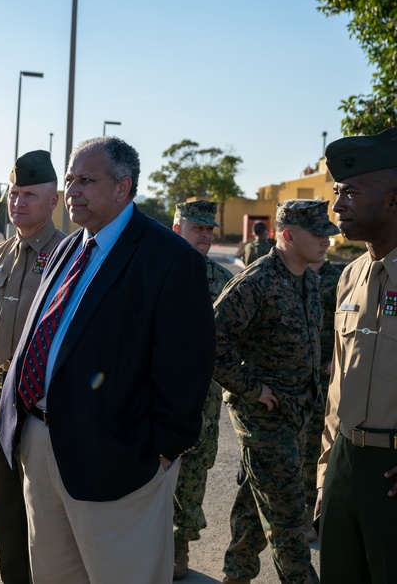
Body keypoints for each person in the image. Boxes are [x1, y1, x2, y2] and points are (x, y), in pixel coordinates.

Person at [0, 136, 215, 583]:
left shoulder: (169, 260)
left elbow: (187, 370)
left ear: (122, 187)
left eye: (85, 180)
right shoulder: (69, 246)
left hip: (117, 465)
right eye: (71, 179)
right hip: (41, 448)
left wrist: (158, 454)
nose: (72, 190)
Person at [213, 199, 338, 584]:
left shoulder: (310, 279)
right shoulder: (256, 282)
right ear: (287, 235)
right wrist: (253, 388)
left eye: (327, 234)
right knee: (289, 520)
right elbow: (211, 344)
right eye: (318, 235)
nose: (327, 242)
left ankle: (237, 573)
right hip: (264, 417)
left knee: (259, 500)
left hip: (297, 412)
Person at [317, 127, 397, 583]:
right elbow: (338, 385)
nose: (337, 205)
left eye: (350, 192)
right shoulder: (350, 276)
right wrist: (328, 474)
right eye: (335, 192)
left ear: (392, 200)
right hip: (345, 465)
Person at [0, 150, 65, 583]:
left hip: (45, 390)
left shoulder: (69, 256)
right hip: (0, 385)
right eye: (14, 194)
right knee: (5, 496)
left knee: (47, 500)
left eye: (30, 195)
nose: (19, 202)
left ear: (54, 201)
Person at [170, 199, 234, 579]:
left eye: (210, 229)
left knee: (194, 474)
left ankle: (181, 546)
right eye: (199, 228)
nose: (206, 235)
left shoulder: (223, 279)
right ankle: (150, 540)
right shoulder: (155, 269)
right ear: (178, 228)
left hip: (204, 402)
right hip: (157, 393)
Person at [300, 257, 340, 541]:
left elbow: (348, 322)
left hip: (326, 376)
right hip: (295, 375)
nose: (323, 242)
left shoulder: (337, 278)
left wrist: (334, 360)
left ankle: (310, 512)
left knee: (318, 442)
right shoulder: (290, 273)